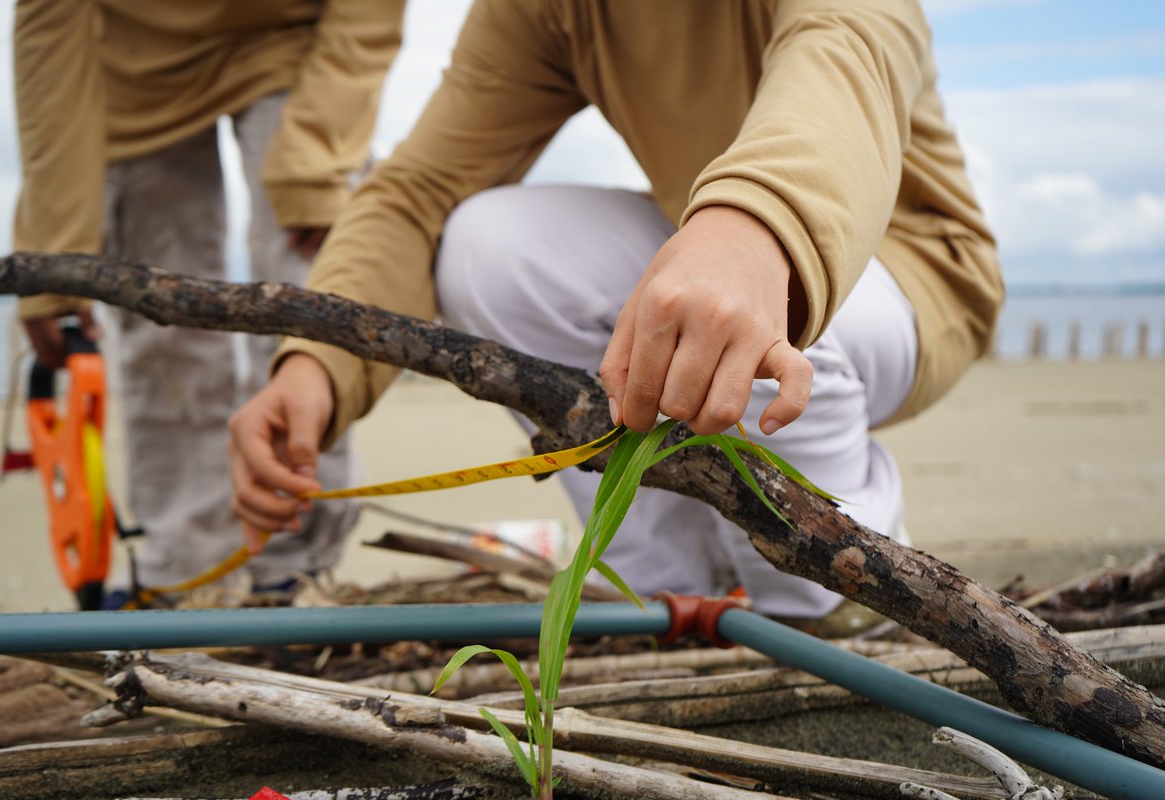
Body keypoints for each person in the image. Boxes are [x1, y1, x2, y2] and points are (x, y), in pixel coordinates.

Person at [228, 0, 1003, 625]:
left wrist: (756, 230)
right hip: (706, 242)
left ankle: (833, 600)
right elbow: (422, 188)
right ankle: (656, 587)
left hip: (906, 270)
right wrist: (315, 361)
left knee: (761, 304)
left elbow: (844, 52)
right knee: (483, 242)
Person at [12, 0, 406, 598]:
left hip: (293, 38)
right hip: (134, 67)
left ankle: (290, 569)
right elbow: (50, 27)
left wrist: (317, 162)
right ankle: (184, 571)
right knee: (159, 327)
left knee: (317, 299)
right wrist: (51, 256)